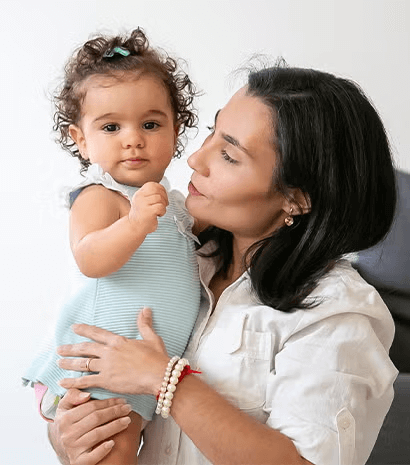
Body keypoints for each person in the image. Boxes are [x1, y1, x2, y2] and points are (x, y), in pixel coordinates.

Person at [48, 63, 398, 465]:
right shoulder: (179, 257)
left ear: (296, 199)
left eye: (229, 155)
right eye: (212, 132)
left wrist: (165, 380)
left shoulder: (338, 314)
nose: (196, 159)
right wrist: (67, 435)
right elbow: (86, 378)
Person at [22, 28, 202, 464]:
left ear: (176, 132)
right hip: (101, 363)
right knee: (111, 454)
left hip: (142, 369)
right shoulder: (100, 197)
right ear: (81, 140)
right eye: (110, 126)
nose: (132, 138)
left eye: (151, 124)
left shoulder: (178, 206)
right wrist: (137, 222)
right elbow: (90, 258)